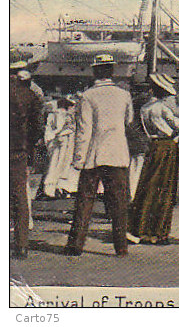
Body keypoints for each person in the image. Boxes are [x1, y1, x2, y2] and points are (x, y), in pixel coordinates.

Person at [64, 54, 133, 257]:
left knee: (85, 201)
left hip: (93, 155)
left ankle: (76, 245)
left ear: (95, 72)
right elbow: (128, 121)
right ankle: (121, 247)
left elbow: (84, 131)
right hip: (118, 154)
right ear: (112, 71)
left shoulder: (88, 96)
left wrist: (78, 159)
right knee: (119, 202)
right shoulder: (124, 95)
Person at [127, 73, 179, 244]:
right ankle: (158, 232)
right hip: (167, 147)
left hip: (152, 145)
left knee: (147, 186)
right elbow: (178, 126)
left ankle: (139, 227)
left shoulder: (145, 108)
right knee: (165, 189)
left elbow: (143, 128)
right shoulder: (164, 108)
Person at [10, 60, 45, 259]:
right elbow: (38, 127)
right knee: (20, 197)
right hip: (18, 150)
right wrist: (29, 147)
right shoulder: (30, 95)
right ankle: (22, 244)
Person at [42, 96, 80, 198]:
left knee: (58, 165)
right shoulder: (60, 114)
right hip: (61, 143)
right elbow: (58, 128)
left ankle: (56, 188)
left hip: (61, 144)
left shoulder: (57, 114)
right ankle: (54, 188)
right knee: (59, 165)